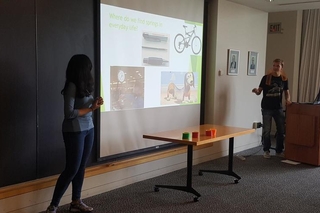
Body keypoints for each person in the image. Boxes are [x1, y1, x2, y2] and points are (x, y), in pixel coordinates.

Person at [46, 54, 104, 213]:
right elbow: (69, 113)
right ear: (82, 69)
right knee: (72, 168)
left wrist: (95, 103)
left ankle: (76, 201)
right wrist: (91, 108)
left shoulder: (84, 85)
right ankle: (53, 205)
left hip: (88, 129)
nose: (90, 71)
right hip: (74, 131)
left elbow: (86, 107)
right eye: (88, 68)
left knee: (81, 167)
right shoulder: (71, 85)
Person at [252, 58, 291, 159]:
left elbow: (287, 92)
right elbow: (259, 91)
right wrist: (256, 91)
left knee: (281, 130)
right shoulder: (266, 78)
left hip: (278, 108)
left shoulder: (284, 79)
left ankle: (279, 150)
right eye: (274, 65)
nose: (275, 68)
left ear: (281, 67)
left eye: (277, 66)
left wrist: (288, 100)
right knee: (267, 130)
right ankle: (266, 150)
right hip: (267, 108)